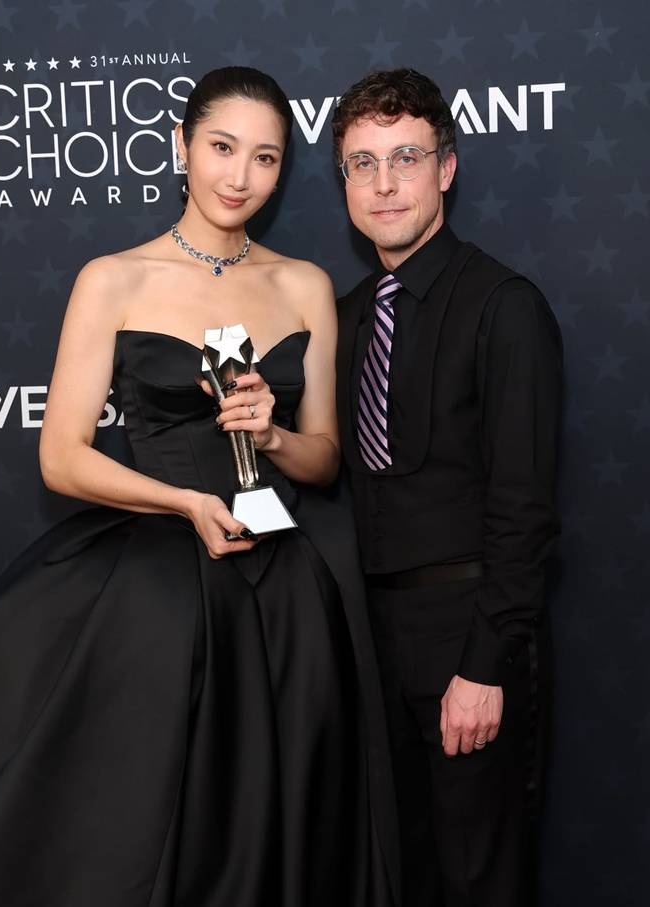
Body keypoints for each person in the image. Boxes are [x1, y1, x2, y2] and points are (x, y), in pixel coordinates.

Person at [0, 67, 399, 907]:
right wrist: (184, 501)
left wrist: (273, 433)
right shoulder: (113, 278)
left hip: (286, 592)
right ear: (181, 146)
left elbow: (324, 460)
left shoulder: (304, 285)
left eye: (265, 157)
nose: (240, 177)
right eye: (222, 148)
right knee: (158, 824)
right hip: (163, 587)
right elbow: (61, 457)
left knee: (293, 825)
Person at [331, 68, 562, 907]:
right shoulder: (346, 315)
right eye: (363, 163)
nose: (385, 184)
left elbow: (524, 507)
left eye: (406, 157)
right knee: (401, 876)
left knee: (477, 879)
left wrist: (484, 665)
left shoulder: (505, 306)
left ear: (447, 168)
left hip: (469, 639)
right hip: (370, 646)